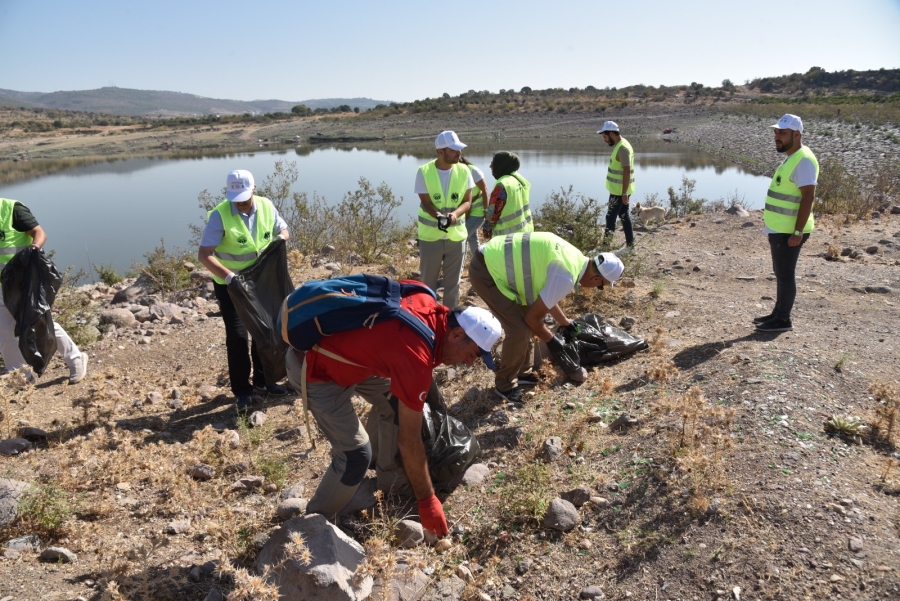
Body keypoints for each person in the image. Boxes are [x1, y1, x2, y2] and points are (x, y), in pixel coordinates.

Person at [284, 297, 501, 537]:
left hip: (357, 362)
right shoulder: (417, 354)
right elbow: (409, 441)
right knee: (356, 455)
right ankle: (310, 529)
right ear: (457, 334)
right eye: (472, 354)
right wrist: (427, 500)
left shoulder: (426, 301)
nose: (469, 364)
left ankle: (391, 481)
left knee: (397, 400)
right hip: (315, 367)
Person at [469, 232, 624, 403]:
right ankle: (504, 386)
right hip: (486, 270)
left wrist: (565, 322)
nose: (595, 288)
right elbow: (532, 319)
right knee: (519, 330)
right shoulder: (566, 275)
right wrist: (552, 341)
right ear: (596, 278)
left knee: (526, 324)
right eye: (600, 286)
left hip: (494, 261)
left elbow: (546, 298)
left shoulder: (574, 257)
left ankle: (522, 373)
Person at [198, 170, 290, 415]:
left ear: (255, 189)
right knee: (238, 337)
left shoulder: (266, 206)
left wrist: (280, 240)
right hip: (232, 286)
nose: (240, 202)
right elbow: (204, 254)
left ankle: (264, 382)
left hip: (261, 282)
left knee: (267, 331)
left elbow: (284, 230)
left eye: (244, 197)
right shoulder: (220, 214)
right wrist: (230, 277)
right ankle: (242, 392)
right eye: (235, 197)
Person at [0, 197, 88, 385]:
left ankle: (76, 359)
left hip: (22, 283)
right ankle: (21, 377)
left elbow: (40, 233)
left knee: (39, 322)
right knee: (5, 333)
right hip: (0, 288)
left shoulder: (11, 209)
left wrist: (34, 248)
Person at [754, 114, 818, 333]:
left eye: (782, 133)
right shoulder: (793, 156)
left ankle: (783, 320)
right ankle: (777, 313)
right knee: (781, 273)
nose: (777, 137)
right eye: (776, 132)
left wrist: (798, 231)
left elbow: (808, 196)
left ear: (796, 134)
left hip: (789, 230)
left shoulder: (804, 160)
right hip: (780, 228)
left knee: (785, 274)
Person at [414, 131, 473, 308]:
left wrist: (455, 215)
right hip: (431, 238)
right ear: (441, 151)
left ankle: (450, 323)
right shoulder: (424, 172)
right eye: (454, 149)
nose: (459, 153)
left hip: (456, 238)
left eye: (459, 149)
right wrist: (439, 216)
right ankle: (428, 320)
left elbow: (467, 201)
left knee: (453, 286)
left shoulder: (464, 171)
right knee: (427, 285)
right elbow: (426, 203)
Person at [598, 121, 635, 250]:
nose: (605, 140)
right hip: (620, 190)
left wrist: (624, 193)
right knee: (624, 216)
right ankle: (631, 246)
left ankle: (605, 248)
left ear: (612, 134)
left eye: (605, 137)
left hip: (620, 192)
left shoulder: (622, 148)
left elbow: (626, 170)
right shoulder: (621, 144)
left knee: (610, 217)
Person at [481, 151, 534, 241]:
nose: (490, 166)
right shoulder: (519, 180)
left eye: (493, 163)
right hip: (525, 234)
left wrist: (486, 228)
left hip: (506, 239)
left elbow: (492, 213)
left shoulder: (502, 185)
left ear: (501, 165)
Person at [459, 156, 489, 260]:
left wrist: (486, 212)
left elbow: (485, 190)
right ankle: (481, 263)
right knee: (472, 238)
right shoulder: (454, 172)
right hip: (467, 213)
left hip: (477, 213)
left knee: (462, 238)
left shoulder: (473, 171)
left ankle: (460, 267)